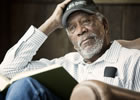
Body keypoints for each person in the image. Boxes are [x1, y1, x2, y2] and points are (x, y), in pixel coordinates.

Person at [0, 0, 140, 99]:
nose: (80, 30)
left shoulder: (132, 60)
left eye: (86, 21)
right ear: (72, 42)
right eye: (72, 28)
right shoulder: (65, 65)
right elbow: (9, 70)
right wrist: (52, 23)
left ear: (104, 25)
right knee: (22, 85)